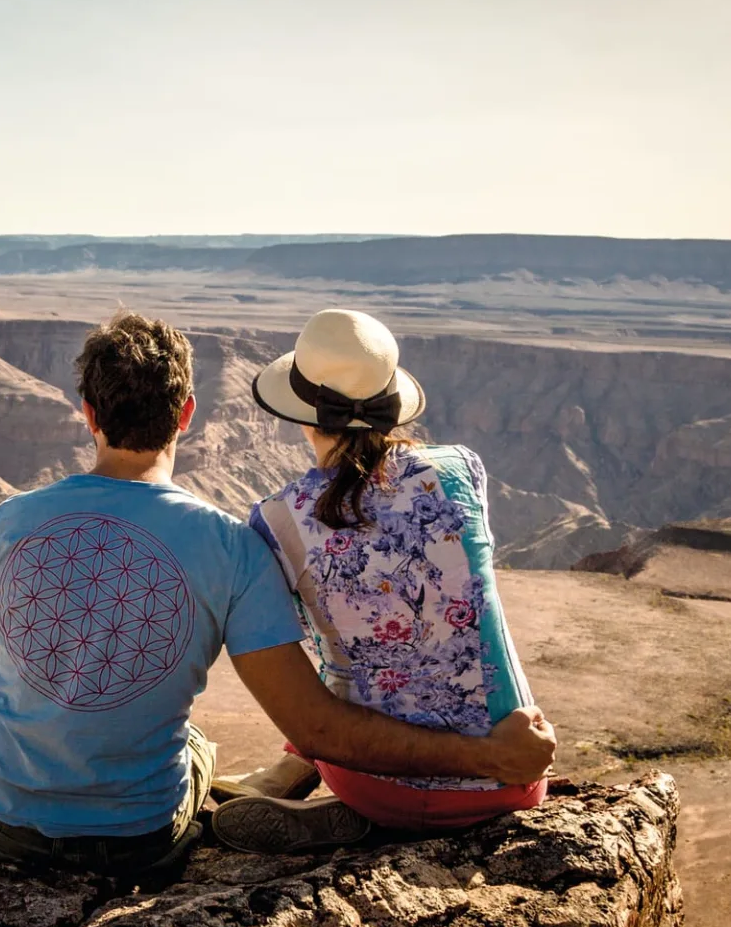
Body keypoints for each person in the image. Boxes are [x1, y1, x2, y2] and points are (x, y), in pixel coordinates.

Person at [0, 311, 556, 874]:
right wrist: (495, 755)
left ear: (88, 413)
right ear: (186, 414)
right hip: (144, 836)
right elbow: (316, 716)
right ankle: (280, 778)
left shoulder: (6, 523)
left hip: (0, 828)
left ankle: (295, 783)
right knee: (208, 740)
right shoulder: (240, 543)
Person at [221, 308, 548, 850]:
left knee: (345, 655)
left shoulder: (277, 521)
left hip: (372, 780)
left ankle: (344, 801)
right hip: (514, 775)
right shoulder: (461, 469)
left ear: (304, 416)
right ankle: (319, 788)